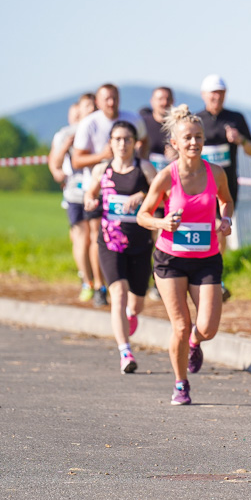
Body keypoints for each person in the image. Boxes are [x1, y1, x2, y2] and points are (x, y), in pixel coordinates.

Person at [137, 105, 234, 405]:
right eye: (188, 138)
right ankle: (181, 383)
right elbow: (143, 215)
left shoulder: (215, 173)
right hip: (171, 259)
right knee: (179, 325)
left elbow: (226, 202)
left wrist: (226, 219)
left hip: (206, 258)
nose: (194, 143)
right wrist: (161, 222)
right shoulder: (166, 177)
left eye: (199, 137)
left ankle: (195, 342)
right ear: (175, 144)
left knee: (207, 328)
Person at [84, 121, 156, 373]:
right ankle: (125, 351)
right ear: (110, 143)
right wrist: (91, 202)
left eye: (127, 139)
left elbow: (161, 195)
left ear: (135, 143)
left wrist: (143, 196)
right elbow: (89, 195)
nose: (122, 144)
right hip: (110, 242)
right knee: (119, 294)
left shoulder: (144, 168)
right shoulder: (102, 170)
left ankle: (130, 318)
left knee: (135, 304)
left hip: (140, 243)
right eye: (117, 139)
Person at [73, 84, 148, 306]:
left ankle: (133, 282)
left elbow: (145, 140)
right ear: (98, 102)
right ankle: (100, 285)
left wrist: (139, 163)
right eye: (106, 99)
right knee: (100, 235)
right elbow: (77, 160)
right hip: (100, 185)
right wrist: (103, 157)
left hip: (129, 184)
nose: (111, 103)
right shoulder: (89, 123)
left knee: (134, 232)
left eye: (115, 98)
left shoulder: (132, 118)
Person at [196, 74, 251, 302]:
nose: (216, 98)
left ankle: (215, 275)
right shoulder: (196, 119)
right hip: (200, 185)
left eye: (220, 93)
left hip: (227, 185)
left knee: (222, 227)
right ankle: (200, 271)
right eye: (212, 94)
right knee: (204, 227)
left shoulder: (235, 118)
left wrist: (239, 140)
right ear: (204, 95)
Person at [48, 94, 98, 301]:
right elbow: (55, 164)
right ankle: (86, 281)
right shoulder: (66, 133)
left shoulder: (102, 129)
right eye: (87, 105)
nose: (91, 109)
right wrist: (66, 146)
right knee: (80, 238)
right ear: (80, 109)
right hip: (75, 192)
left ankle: (100, 282)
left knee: (96, 238)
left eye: (94, 105)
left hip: (97, 191)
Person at [140, 87, 178, 302]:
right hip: (150, 188)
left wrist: (175, 155)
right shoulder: (144, 123)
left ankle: (161, 281)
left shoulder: (176, 125)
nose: (164, 102)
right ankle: (148, 279)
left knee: (166, 236)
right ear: (152, 101)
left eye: (167, 99)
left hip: (173, 190)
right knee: (150, 235)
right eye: (160, 98)